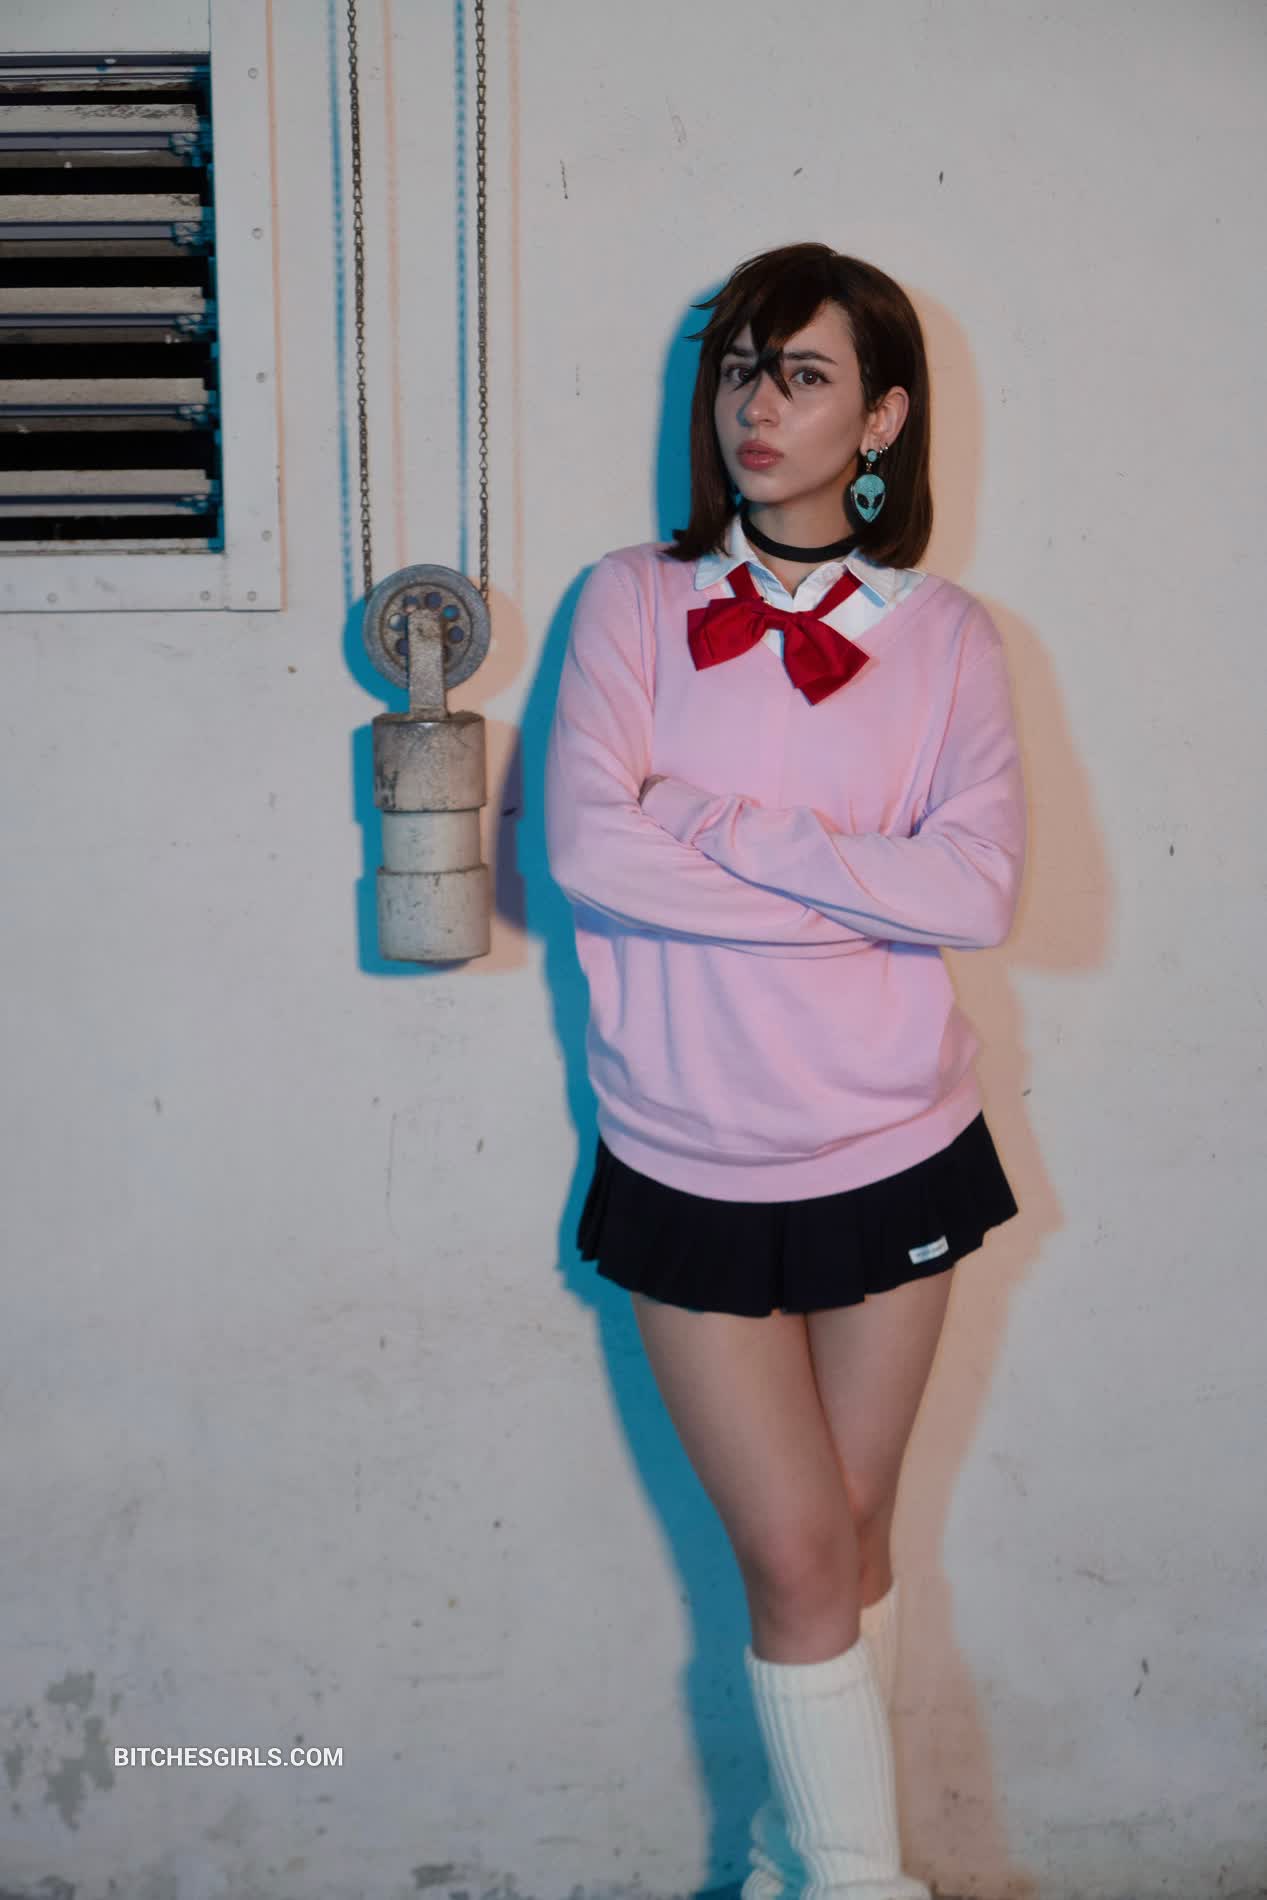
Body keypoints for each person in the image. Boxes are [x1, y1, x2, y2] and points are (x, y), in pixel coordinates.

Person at [544, 241, 1027, 1898]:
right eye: (740, 369)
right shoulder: (631, 601)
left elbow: (977, 893)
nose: (758, 405)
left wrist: (716, 829)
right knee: (802, 1552)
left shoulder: (947, 637)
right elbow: (590, 857)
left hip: (897, 1141)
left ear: (880, 417)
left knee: (853, 1539)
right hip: (687, 1152)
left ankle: (787, 1861)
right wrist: (857, 892)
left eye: (804, 375)